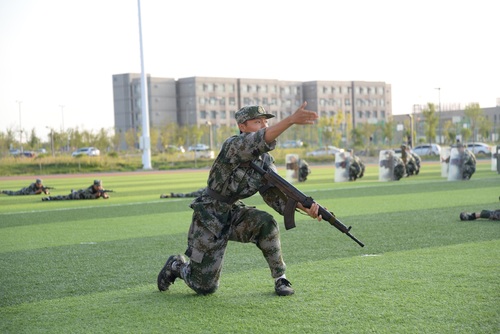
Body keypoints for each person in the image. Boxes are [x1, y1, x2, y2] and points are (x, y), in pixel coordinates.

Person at [157, 102, 322, 297]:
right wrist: (291, 120)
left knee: (267, 223)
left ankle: (280, 278)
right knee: (204, 287)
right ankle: (176, 266)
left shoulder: (266, 161)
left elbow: (277, 196)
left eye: (265, 122)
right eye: (257, 122)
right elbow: (259, 140)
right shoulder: (233, 146)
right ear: (242, 126)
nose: (264, 125)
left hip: (234, 213)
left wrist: (307, 207)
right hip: (210, 216)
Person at [42, 180, 110, 201]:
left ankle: (74, 191)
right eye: (97, 186)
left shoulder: (101, 189)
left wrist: (104, 195)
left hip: (81, 193)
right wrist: (96, 195)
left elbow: (105, 195)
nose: (99, 187)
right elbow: (88, 197)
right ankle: (49, 198)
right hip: (78, 195)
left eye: (100, 186)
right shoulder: (89, 189)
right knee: (63, 198)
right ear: (94, 185)